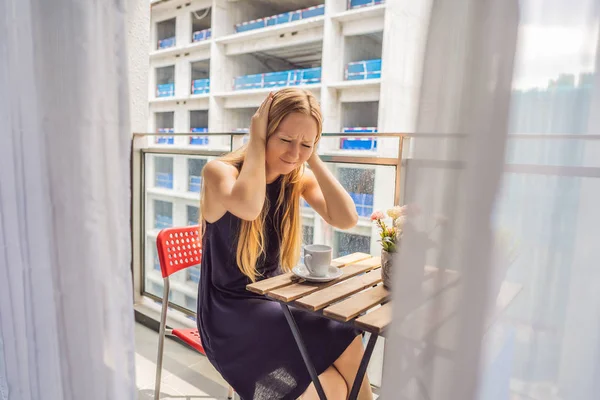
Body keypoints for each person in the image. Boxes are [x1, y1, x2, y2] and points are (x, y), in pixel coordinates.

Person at [197, 87, 373, 400]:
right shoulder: (219, 172)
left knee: (337, 376)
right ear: (264, 132)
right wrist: (255, 139)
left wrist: (313, 158)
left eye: (305, 143)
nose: (294, 154)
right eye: (285, 140)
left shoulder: (295, 178)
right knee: (336, 340)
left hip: (276, 301)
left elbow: (346, 218)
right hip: (230, 313)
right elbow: (249, 207)